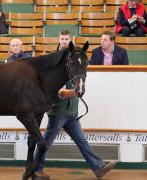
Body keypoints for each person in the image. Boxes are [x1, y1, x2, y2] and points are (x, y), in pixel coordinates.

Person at [32, 30, 117, 180]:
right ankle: (35, 169)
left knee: (82, 141)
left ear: (70, 41)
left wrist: (78, 88)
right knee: (46, 142)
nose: (64, 41)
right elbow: (58, 91)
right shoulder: (52, 60)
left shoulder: (75, 57)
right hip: (57, 112)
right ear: (59, 39)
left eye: (67, 39)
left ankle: (98, 168)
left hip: (72, 111)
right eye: (62, 38)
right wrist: (75, 92)